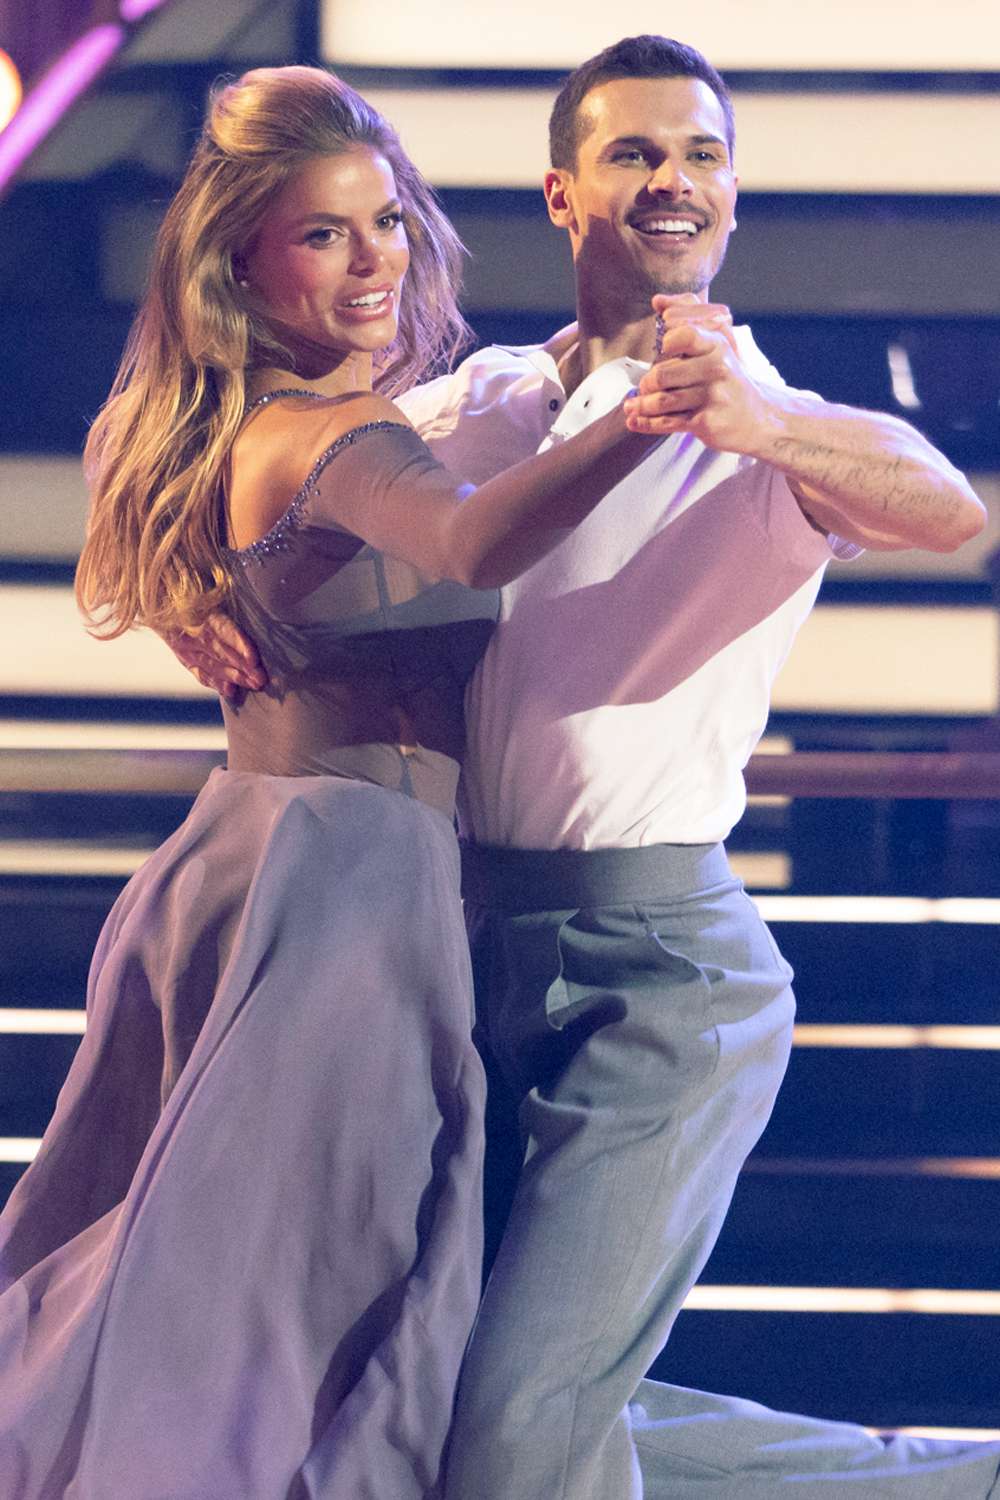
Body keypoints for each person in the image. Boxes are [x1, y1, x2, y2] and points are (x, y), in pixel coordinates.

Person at [168, 37, 999, 1500]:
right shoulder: (475, 401)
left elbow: (949, 511)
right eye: (635, 153)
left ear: (732, 194)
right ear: (562, 194)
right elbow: (288, 497)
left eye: (702, 154)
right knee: (444, 1407)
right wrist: (201, 597)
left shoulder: (767, 419)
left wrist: (762, 422)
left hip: (661, 977)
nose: (674, 179)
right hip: (453, 956)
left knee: (510, 1440)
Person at [0, 64, 679, 1500]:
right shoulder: (338, 436)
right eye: (324, 235)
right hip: (349, 897)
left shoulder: (249, 420)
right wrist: (647, 413)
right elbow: (479, 542)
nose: (372, 262)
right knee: (285, 1310)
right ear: (241, 261)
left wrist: (580, 377)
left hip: (264, 866)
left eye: (385, 225)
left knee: (209, 1288)